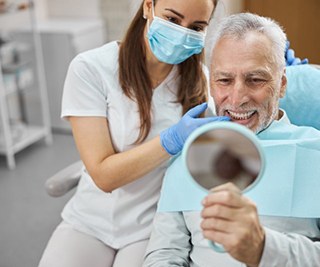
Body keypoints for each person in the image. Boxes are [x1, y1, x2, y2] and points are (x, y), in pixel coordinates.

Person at [38, 0, 231, 266]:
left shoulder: (201, 82)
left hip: (152, 227)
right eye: (173, 20)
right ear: (148, 7)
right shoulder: (92, 69)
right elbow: (104, 176)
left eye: (196, 27)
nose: (182, 33)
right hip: (89, 221)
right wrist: (171, 140)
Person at [143, 13, 320, 267]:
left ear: (281, 84)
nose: (237, 99)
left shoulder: (316, 153)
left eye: (255, 79)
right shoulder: (187, 157)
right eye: (224, 80)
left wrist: (263, 248)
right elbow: (164, 253)